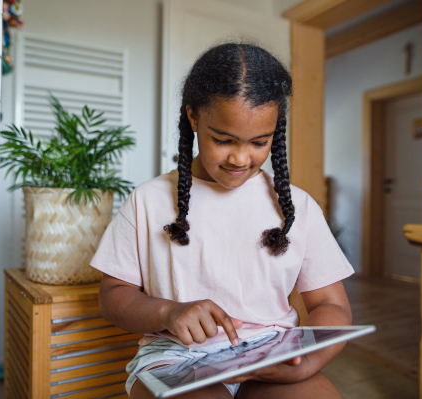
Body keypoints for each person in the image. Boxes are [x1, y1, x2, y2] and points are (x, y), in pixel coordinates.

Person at [90, 43, 354, 399]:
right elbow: (112, 297)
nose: (241, 158)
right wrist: (168, 312)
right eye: (223, 140)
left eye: (260, 142)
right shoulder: (148, 200)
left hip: (270, 352)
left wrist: (306, 361)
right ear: (194, 118)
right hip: (175, 357)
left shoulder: (298, 207)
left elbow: (332, 306)